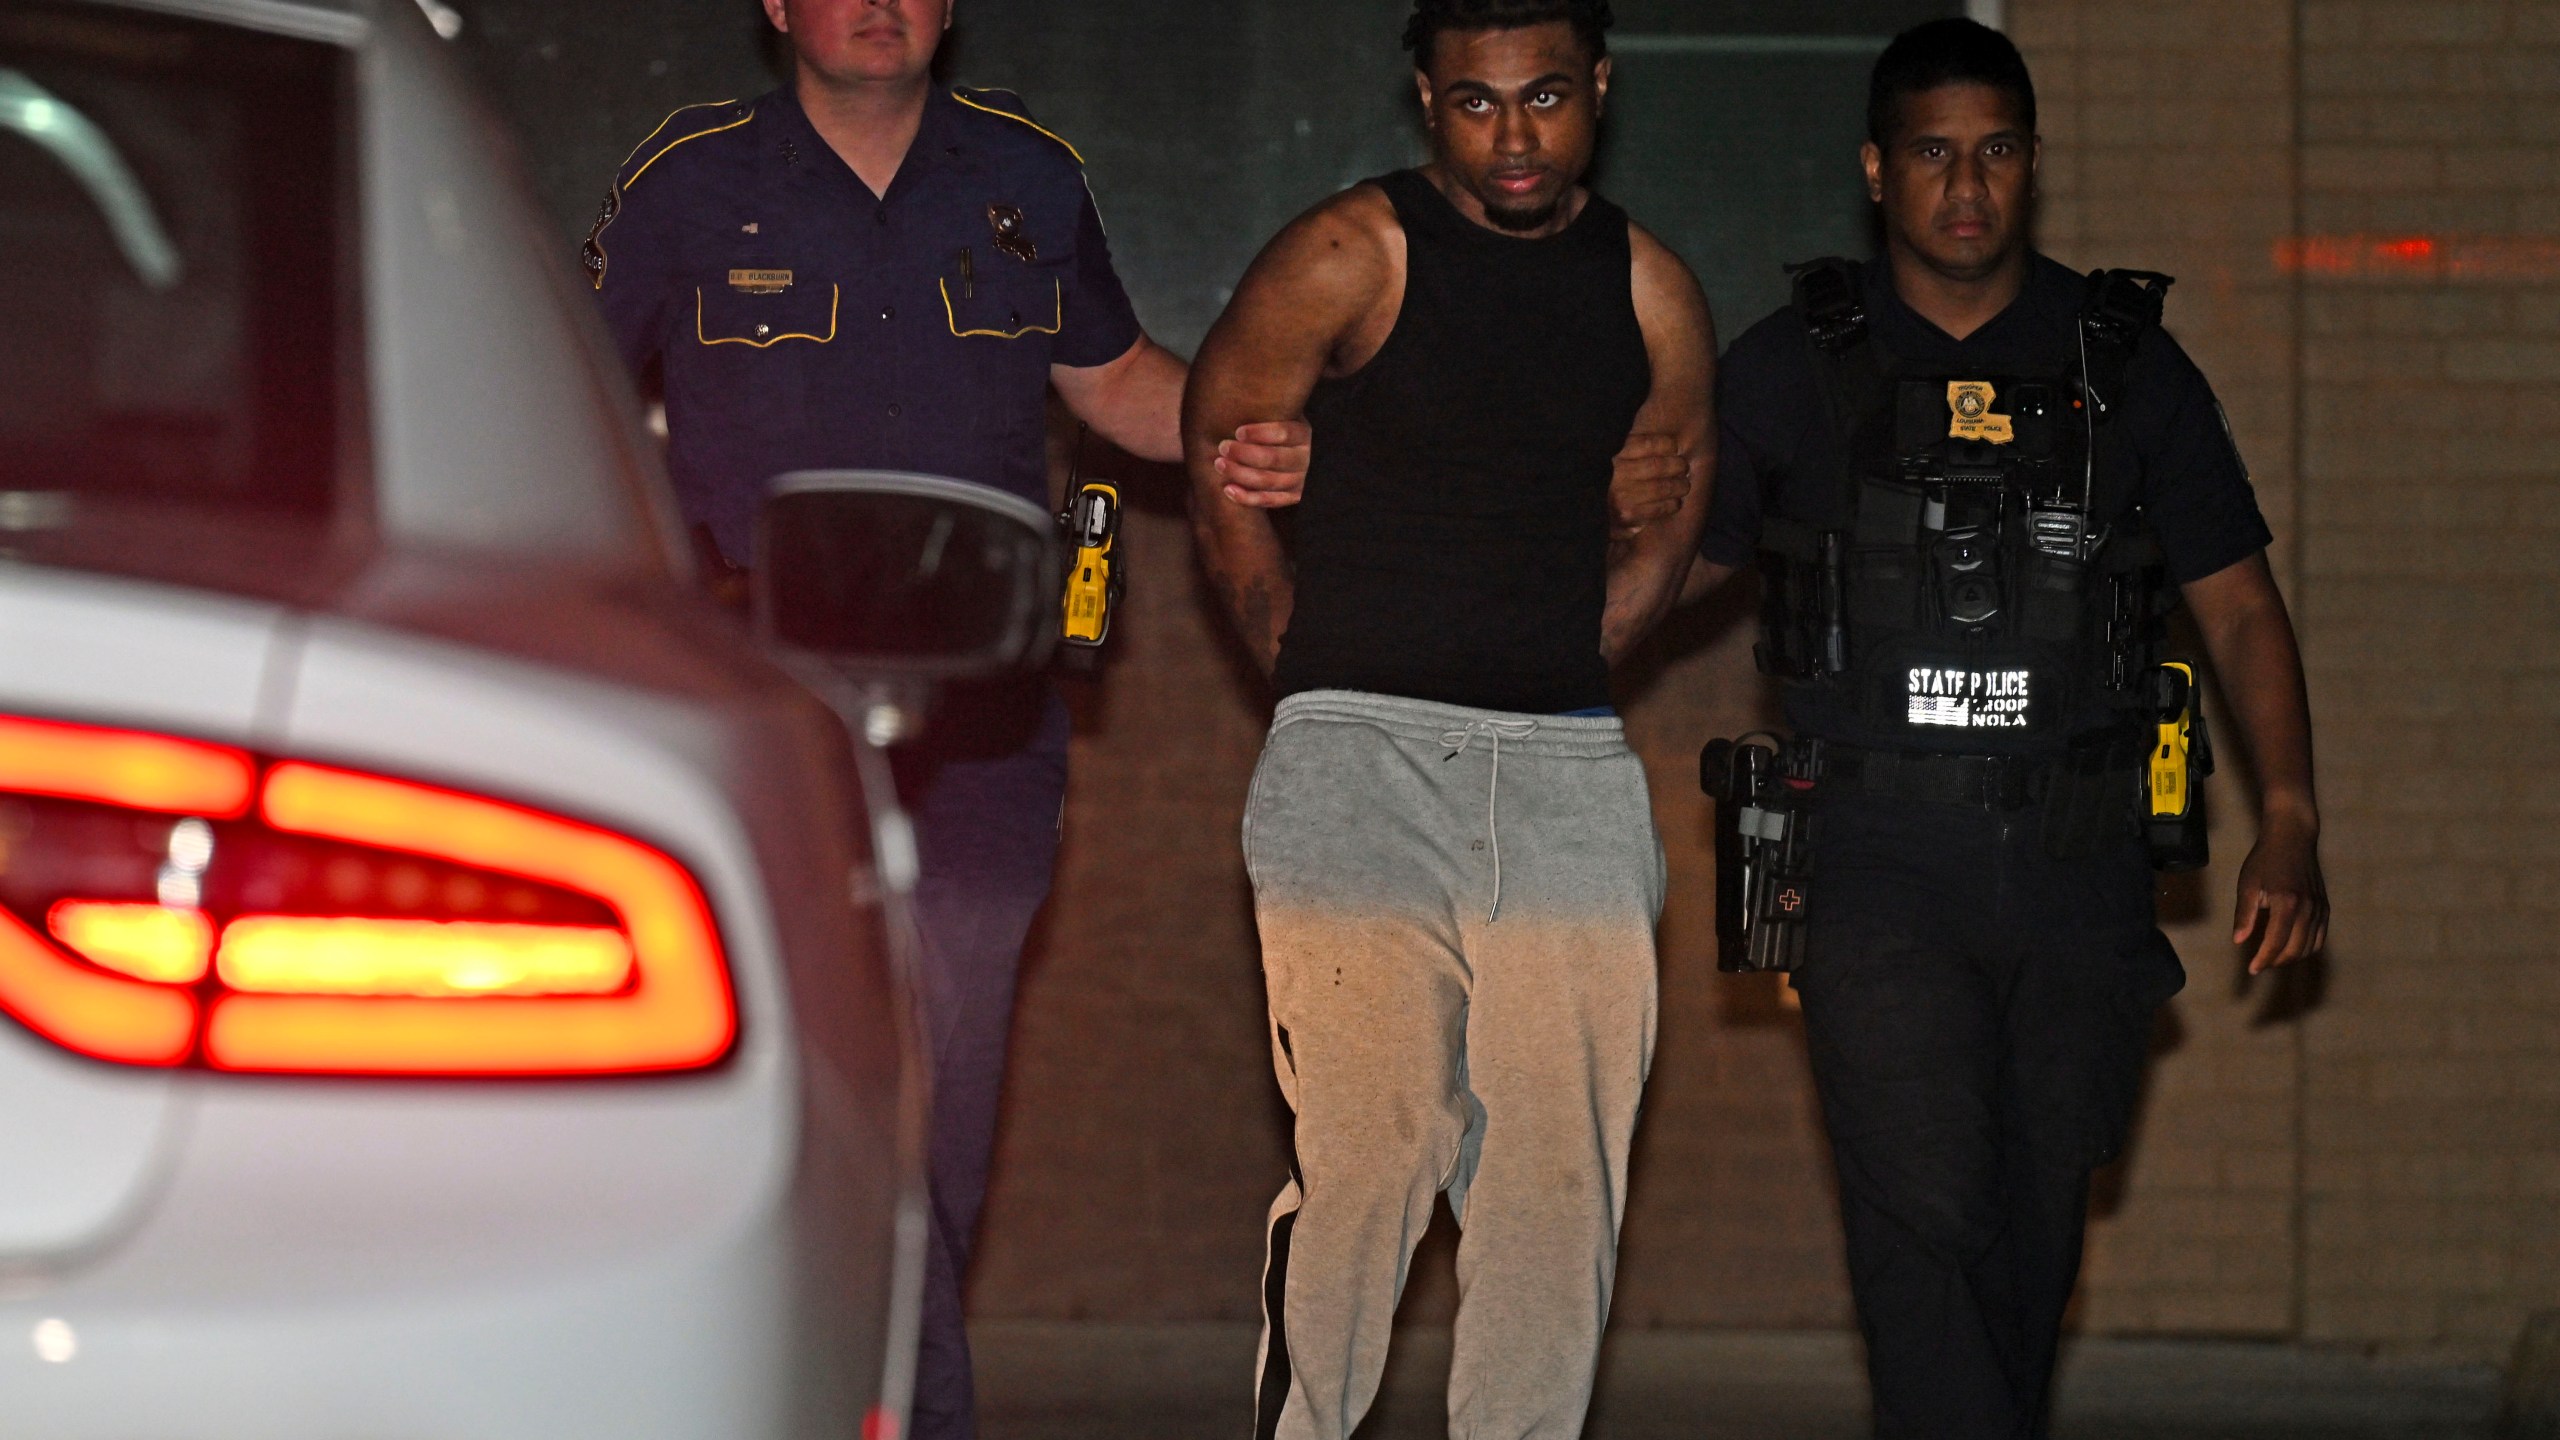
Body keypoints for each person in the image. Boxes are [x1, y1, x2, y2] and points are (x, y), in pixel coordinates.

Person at [583, 4, 1309, 1438]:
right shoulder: (686, 180)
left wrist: (1271, 426)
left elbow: (1121, 390)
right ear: (777, 5)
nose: (877, 3)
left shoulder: (1028, 178)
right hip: (761, 728)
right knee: (777, 1093)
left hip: (981, 731)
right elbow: (585, 405)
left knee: (937, 1117)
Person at [1611, 19, 2328, 1437]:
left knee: (2032, 1218)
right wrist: (1573, 581)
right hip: (1875, 859)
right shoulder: (1792, 364)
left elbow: (2239, 607)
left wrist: (2292, 818)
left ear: (2033, 166)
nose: (1965, 186)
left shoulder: (2123, 363)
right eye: (1933, 153)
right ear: (1879, 171)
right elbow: (1669, 577)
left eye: (1995, 152)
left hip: (2076, 861)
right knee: (1921, 1201)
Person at [1183, 2, 1715, 1436]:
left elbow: (1675, 508)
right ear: (1428, 101)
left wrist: (1578, 640)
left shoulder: (1651, 288)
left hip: (1564, 766)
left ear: (1597, 87)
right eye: (1476, 104)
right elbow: (1223, 438)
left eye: (1544, 97)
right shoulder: (1349, 254)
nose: (1515, 134)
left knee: (1557, 1175)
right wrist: (1297, 656)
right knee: (1376, 1144)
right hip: (1358, 749)